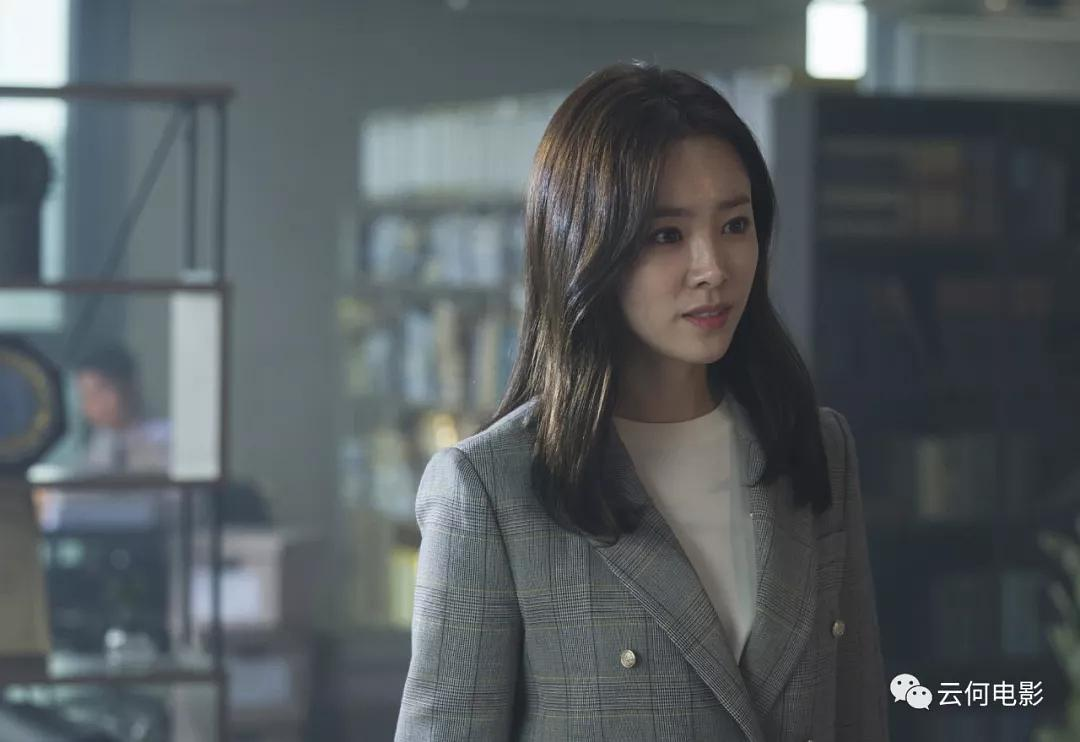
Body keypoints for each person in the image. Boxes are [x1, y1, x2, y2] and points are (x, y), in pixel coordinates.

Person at [394, 62, 889, 742]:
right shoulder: (494, 490)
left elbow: (859, 716)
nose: (712, 268)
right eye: (666, 235)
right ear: (585, 247)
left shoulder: (816, 450)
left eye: (735, 224)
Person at [72, 342, 170, 474]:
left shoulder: (165, 439)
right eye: (85, 396)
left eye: (99, 391)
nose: (90, 404)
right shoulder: (96, 444)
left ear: (129, 386)